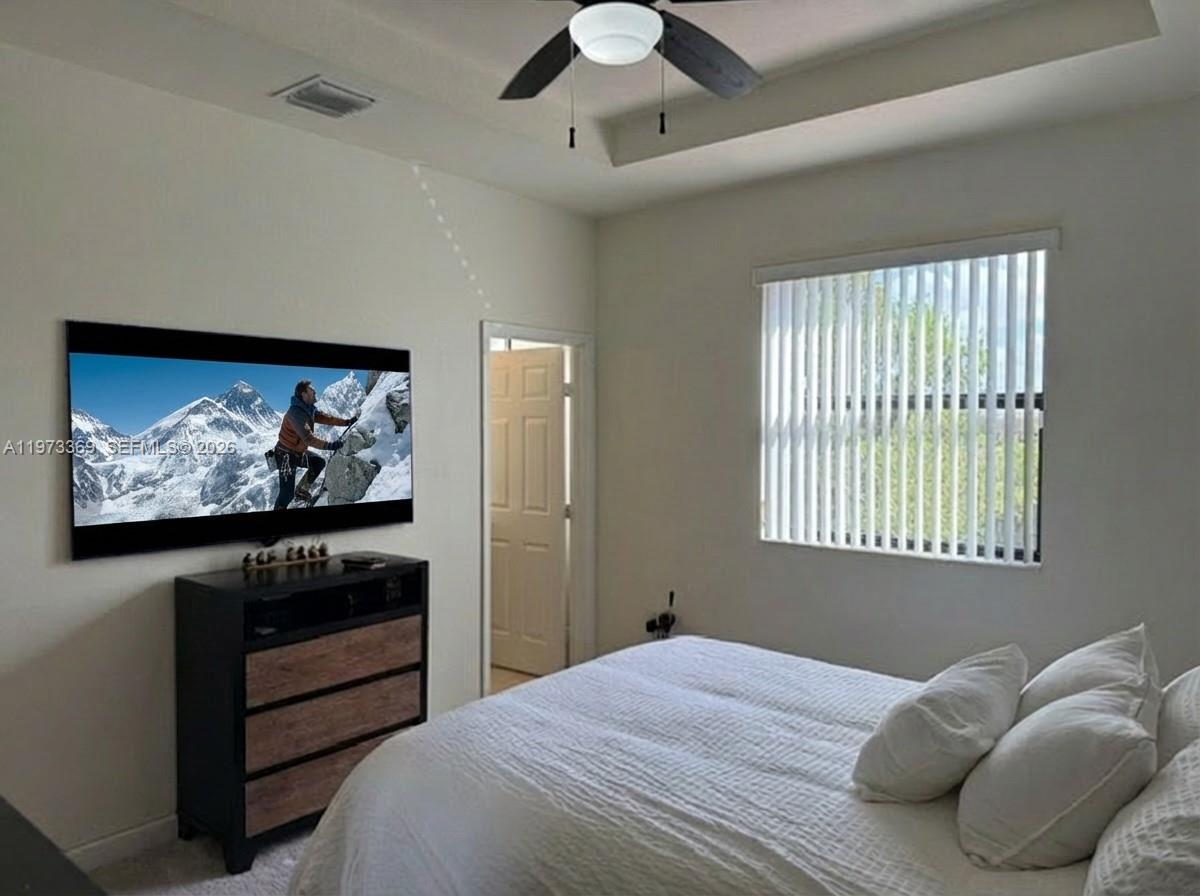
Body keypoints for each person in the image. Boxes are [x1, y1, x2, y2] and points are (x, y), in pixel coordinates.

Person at [273, 379, 358, 510]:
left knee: (318, 463)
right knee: (286, 495)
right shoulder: (295, 413)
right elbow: (308, 439)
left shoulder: (308, 409)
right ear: (304, 394)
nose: (315, 392)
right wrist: (330, 445)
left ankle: (301, 490)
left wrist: (347, 422)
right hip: (285, 456)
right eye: (312, 390)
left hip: (297, 452)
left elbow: (326, 418)